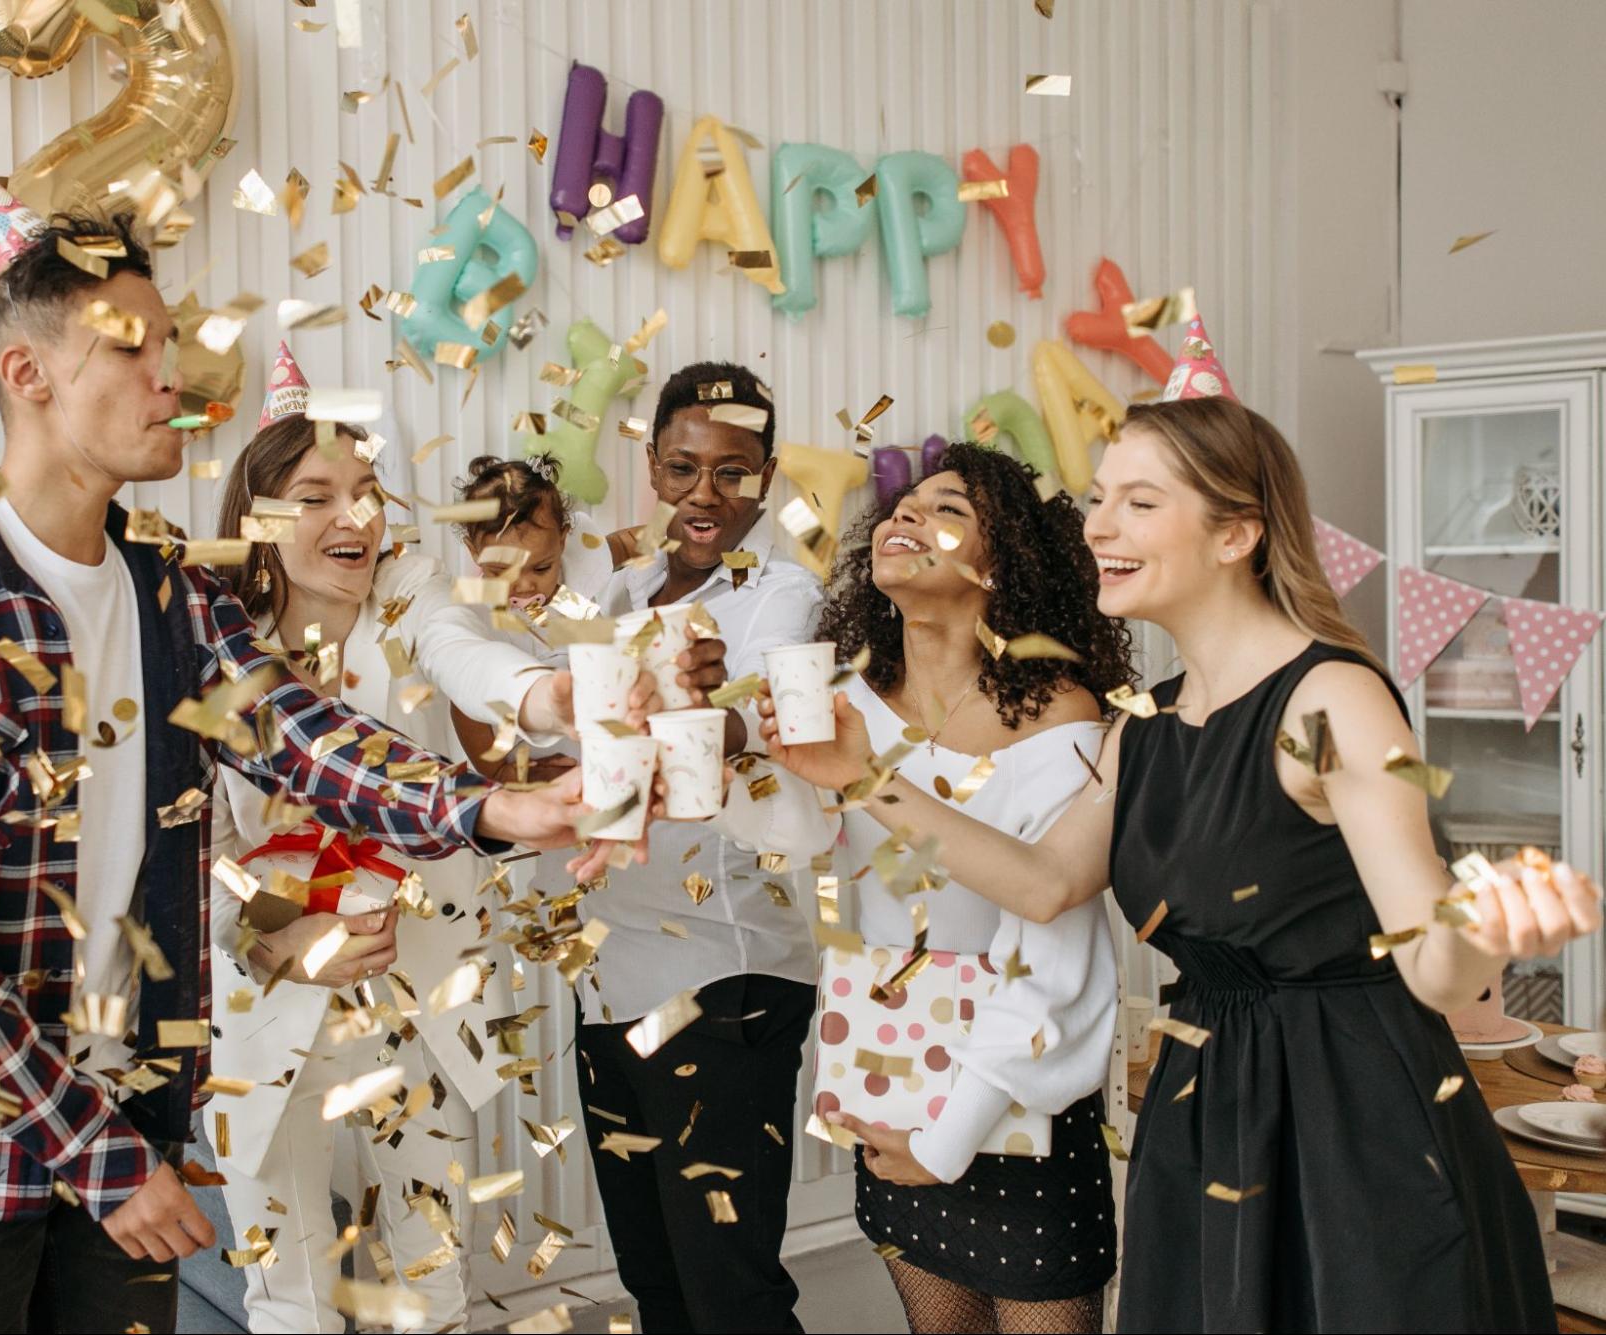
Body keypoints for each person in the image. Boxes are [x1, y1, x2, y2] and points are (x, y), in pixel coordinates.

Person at [0, 169, 623, 1335]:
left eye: (170, 343)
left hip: (135, 1104)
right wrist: (97, 1153)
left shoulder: (174, 588)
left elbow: (304, 738)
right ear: (26, 376)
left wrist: (499, 812)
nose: (171, 377)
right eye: (131, 350)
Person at [764, 385, 1601, 1330]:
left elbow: (1434, 966)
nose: (1098, 526)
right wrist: (859, 774)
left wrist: (1486, 927)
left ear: (1235, 533)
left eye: (1139, 501)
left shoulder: (1329, 698)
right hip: (1204, 1110)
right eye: (1100, 498)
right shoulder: (1141, 726)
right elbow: (1040, 883)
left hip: (1354, 1120)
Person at [201, 350, 596, 1333]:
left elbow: (467, 658)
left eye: (369, 492)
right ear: (256, 516)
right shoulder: (209, 642)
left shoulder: (412, 591)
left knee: (433, 1274)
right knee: (286, 1286)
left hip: (416, 987)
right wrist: (266, 935)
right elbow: (189, 843)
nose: (357, 519)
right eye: (317, 495)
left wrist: (543, 696)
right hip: (264, 999)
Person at [793, 442, 1133, 1333]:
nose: (902, 516)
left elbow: (1056, 954)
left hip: (1015, 1096)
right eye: (901, 507)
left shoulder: (1061, 718)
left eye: (945, 509)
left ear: (998, 562)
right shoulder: (837, 698)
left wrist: (950, 1133)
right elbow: (797, 852)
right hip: (887, 1073)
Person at [575, 361, 830, 1334]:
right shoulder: (615, 585)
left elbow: (772, 735)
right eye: (682, 468)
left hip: (723, 976)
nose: (704, 496)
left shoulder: (785, 598)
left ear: (767, 474)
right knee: (653, 1275)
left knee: (728, 1287)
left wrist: (706, 698)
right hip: (603, 972)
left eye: (733, 471)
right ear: (649, 464)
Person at [447, 453, 620, 782]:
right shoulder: (476, 618)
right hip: (519, 767)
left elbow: (609, 652)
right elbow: (464, 707)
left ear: (563, 540)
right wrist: (501, 772)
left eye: (542, 568)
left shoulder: (573, 602)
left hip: (589, 760)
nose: (525, 585)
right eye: (501, 571)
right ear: (474, 552)